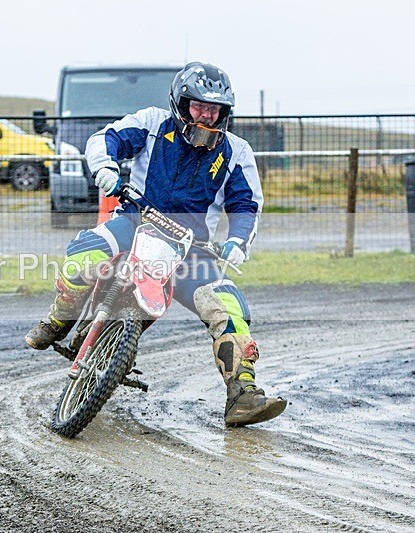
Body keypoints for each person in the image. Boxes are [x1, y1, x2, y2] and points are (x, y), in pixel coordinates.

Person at [25, 62, 286, 426]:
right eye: (199, 107)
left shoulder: (237, 151)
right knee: (84, 257)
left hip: (191, 249)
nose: (207, 117)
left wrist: (238, 242)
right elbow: (105, 140)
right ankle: (58, 319)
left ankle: (242, 395)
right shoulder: (151, 123)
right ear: (181, 105)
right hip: (134, 220)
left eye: (215, 110)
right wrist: (106, 169)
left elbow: (246, 205)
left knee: (229, 310)